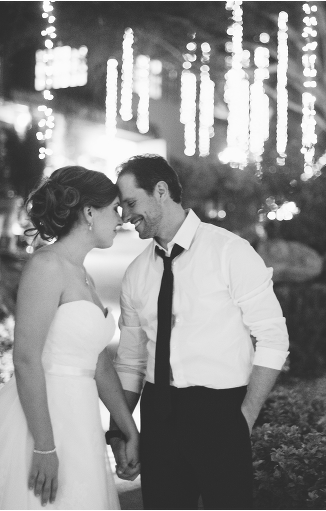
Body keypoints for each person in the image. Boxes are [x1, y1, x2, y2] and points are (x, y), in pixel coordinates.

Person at [0, 166, 139, 509]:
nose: (121, 219)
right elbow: (25, 359)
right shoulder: (46, 266)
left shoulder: (84, 275)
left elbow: (98, 363)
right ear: (89, 212)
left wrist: (129, 429)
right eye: (114, 209)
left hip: (81, 421)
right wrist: (45, 447)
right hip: (45, 419)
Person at [107, 155, 289, 509]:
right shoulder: (135, 273)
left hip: (221, 413)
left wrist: (245, 416)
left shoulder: (230, 252)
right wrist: (120, 430)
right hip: (158, 414)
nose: (126, 215)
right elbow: (130, 361)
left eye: (130, 203)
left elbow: (273, 337)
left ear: (161, 191)